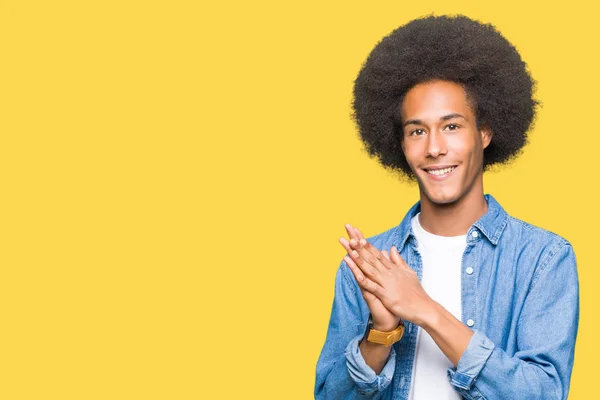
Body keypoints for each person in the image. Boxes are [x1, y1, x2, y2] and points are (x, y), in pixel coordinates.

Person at [314, 15, 579, 400]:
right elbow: (328, 396)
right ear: (401, 145)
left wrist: (425, 310)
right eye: (417, 131)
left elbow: (544, 393)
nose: (434, 148)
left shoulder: (542, 258)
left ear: (484, 132)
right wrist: (381, 334)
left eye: (451, 126)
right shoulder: (369, 265)